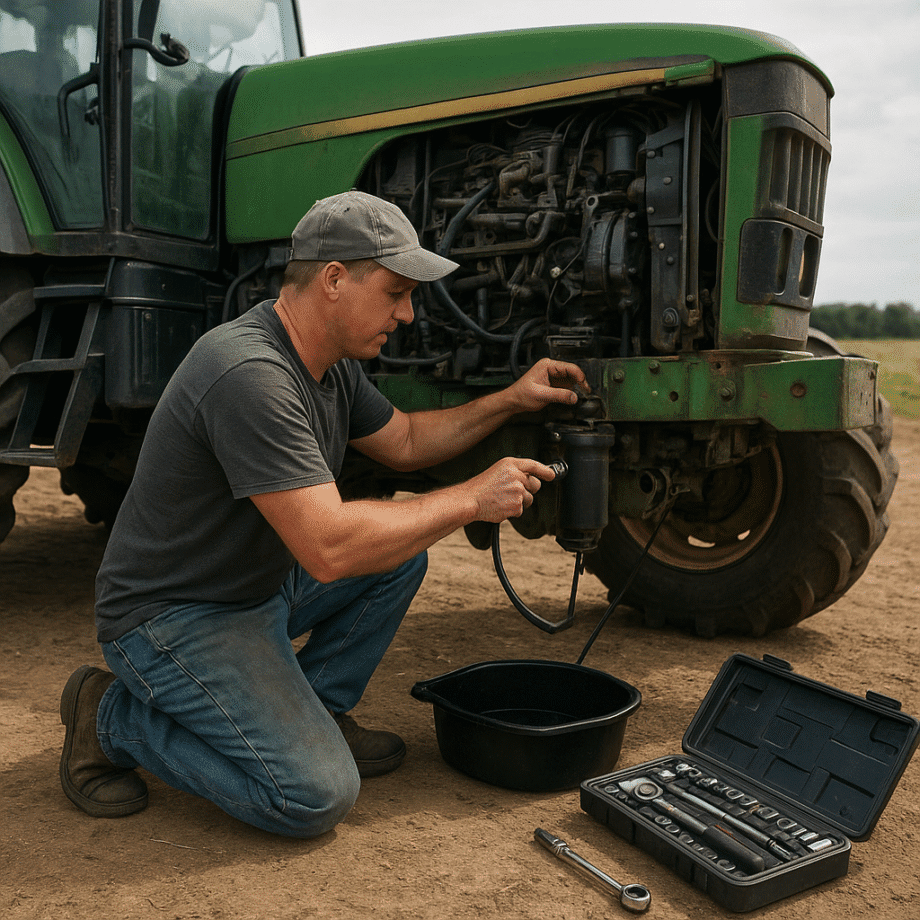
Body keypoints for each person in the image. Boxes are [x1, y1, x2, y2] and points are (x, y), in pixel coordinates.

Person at [59, 191, 588, 837]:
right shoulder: (250, 373)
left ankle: (316, 708)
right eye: (395, 291)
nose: (408, 313)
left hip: (251, 587)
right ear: (334, 279)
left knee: (399, 557)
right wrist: (471, 499)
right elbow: (330, 548)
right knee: (313, 795)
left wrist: (510, 399)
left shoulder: (327, 366)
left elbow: (407, 443)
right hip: (175, 615)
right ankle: (110, 717)